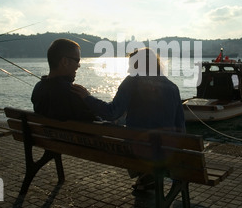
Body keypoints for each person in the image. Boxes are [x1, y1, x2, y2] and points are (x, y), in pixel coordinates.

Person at [72, 47, 186, 190]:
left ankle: (146, 175)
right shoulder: (173, 87)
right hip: (166, 152)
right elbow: (180, 125)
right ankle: (147, 177)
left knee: (127, 134)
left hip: (140, 152)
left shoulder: (133, 81)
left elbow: (112, 112)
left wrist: (87, 97)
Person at [31, 38, 97, 121]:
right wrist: (88, 98)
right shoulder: (74, 93)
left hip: (44, 133)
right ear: (65, 61)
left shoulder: (38, 88)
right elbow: (95, 123)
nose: (79, 65)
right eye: (77, 60)